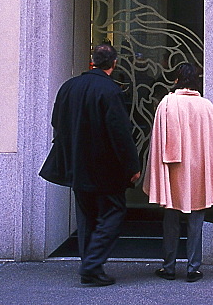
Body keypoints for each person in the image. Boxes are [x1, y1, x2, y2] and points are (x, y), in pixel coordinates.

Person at [39, 43, 141, 287]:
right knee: (113, 213)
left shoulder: (68, 87)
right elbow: (120, 133)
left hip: (76, 163)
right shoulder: (110, 91)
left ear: (93, 61)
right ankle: (92, 264)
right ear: (114, 63)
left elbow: (56, 121)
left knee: (86, 217)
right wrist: (132, 166)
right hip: (104, 167)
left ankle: (89, 266)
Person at [143, 63, 213, 283]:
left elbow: (158, 142)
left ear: (176, 80)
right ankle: (193, 268)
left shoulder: (167, 103)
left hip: (173, 170)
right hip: (199, 170)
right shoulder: (206, 106)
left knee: (170, 219)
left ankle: (168, 267)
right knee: (196, 220)